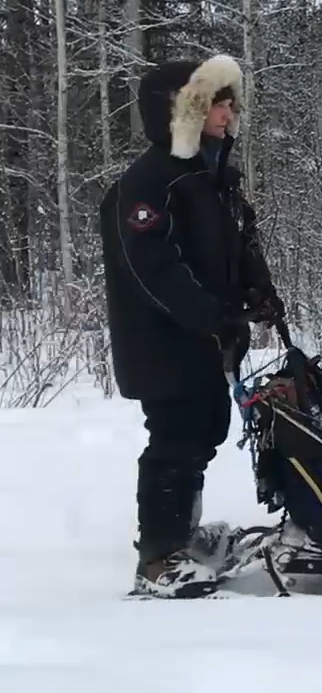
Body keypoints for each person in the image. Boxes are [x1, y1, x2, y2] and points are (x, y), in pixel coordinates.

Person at [99, 53, 283, 597]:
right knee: (175, 440)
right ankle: (158, 560)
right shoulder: (150, 183)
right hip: (163, 342)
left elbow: (239, 244)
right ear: (185, 111)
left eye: (231, 104)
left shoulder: (214, 177)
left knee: (204, 433)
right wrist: (209, 317)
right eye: (216, 105)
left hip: (206, 339)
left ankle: (185, 534)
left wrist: (259, 291)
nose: (229, 115)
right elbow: (152, 268)